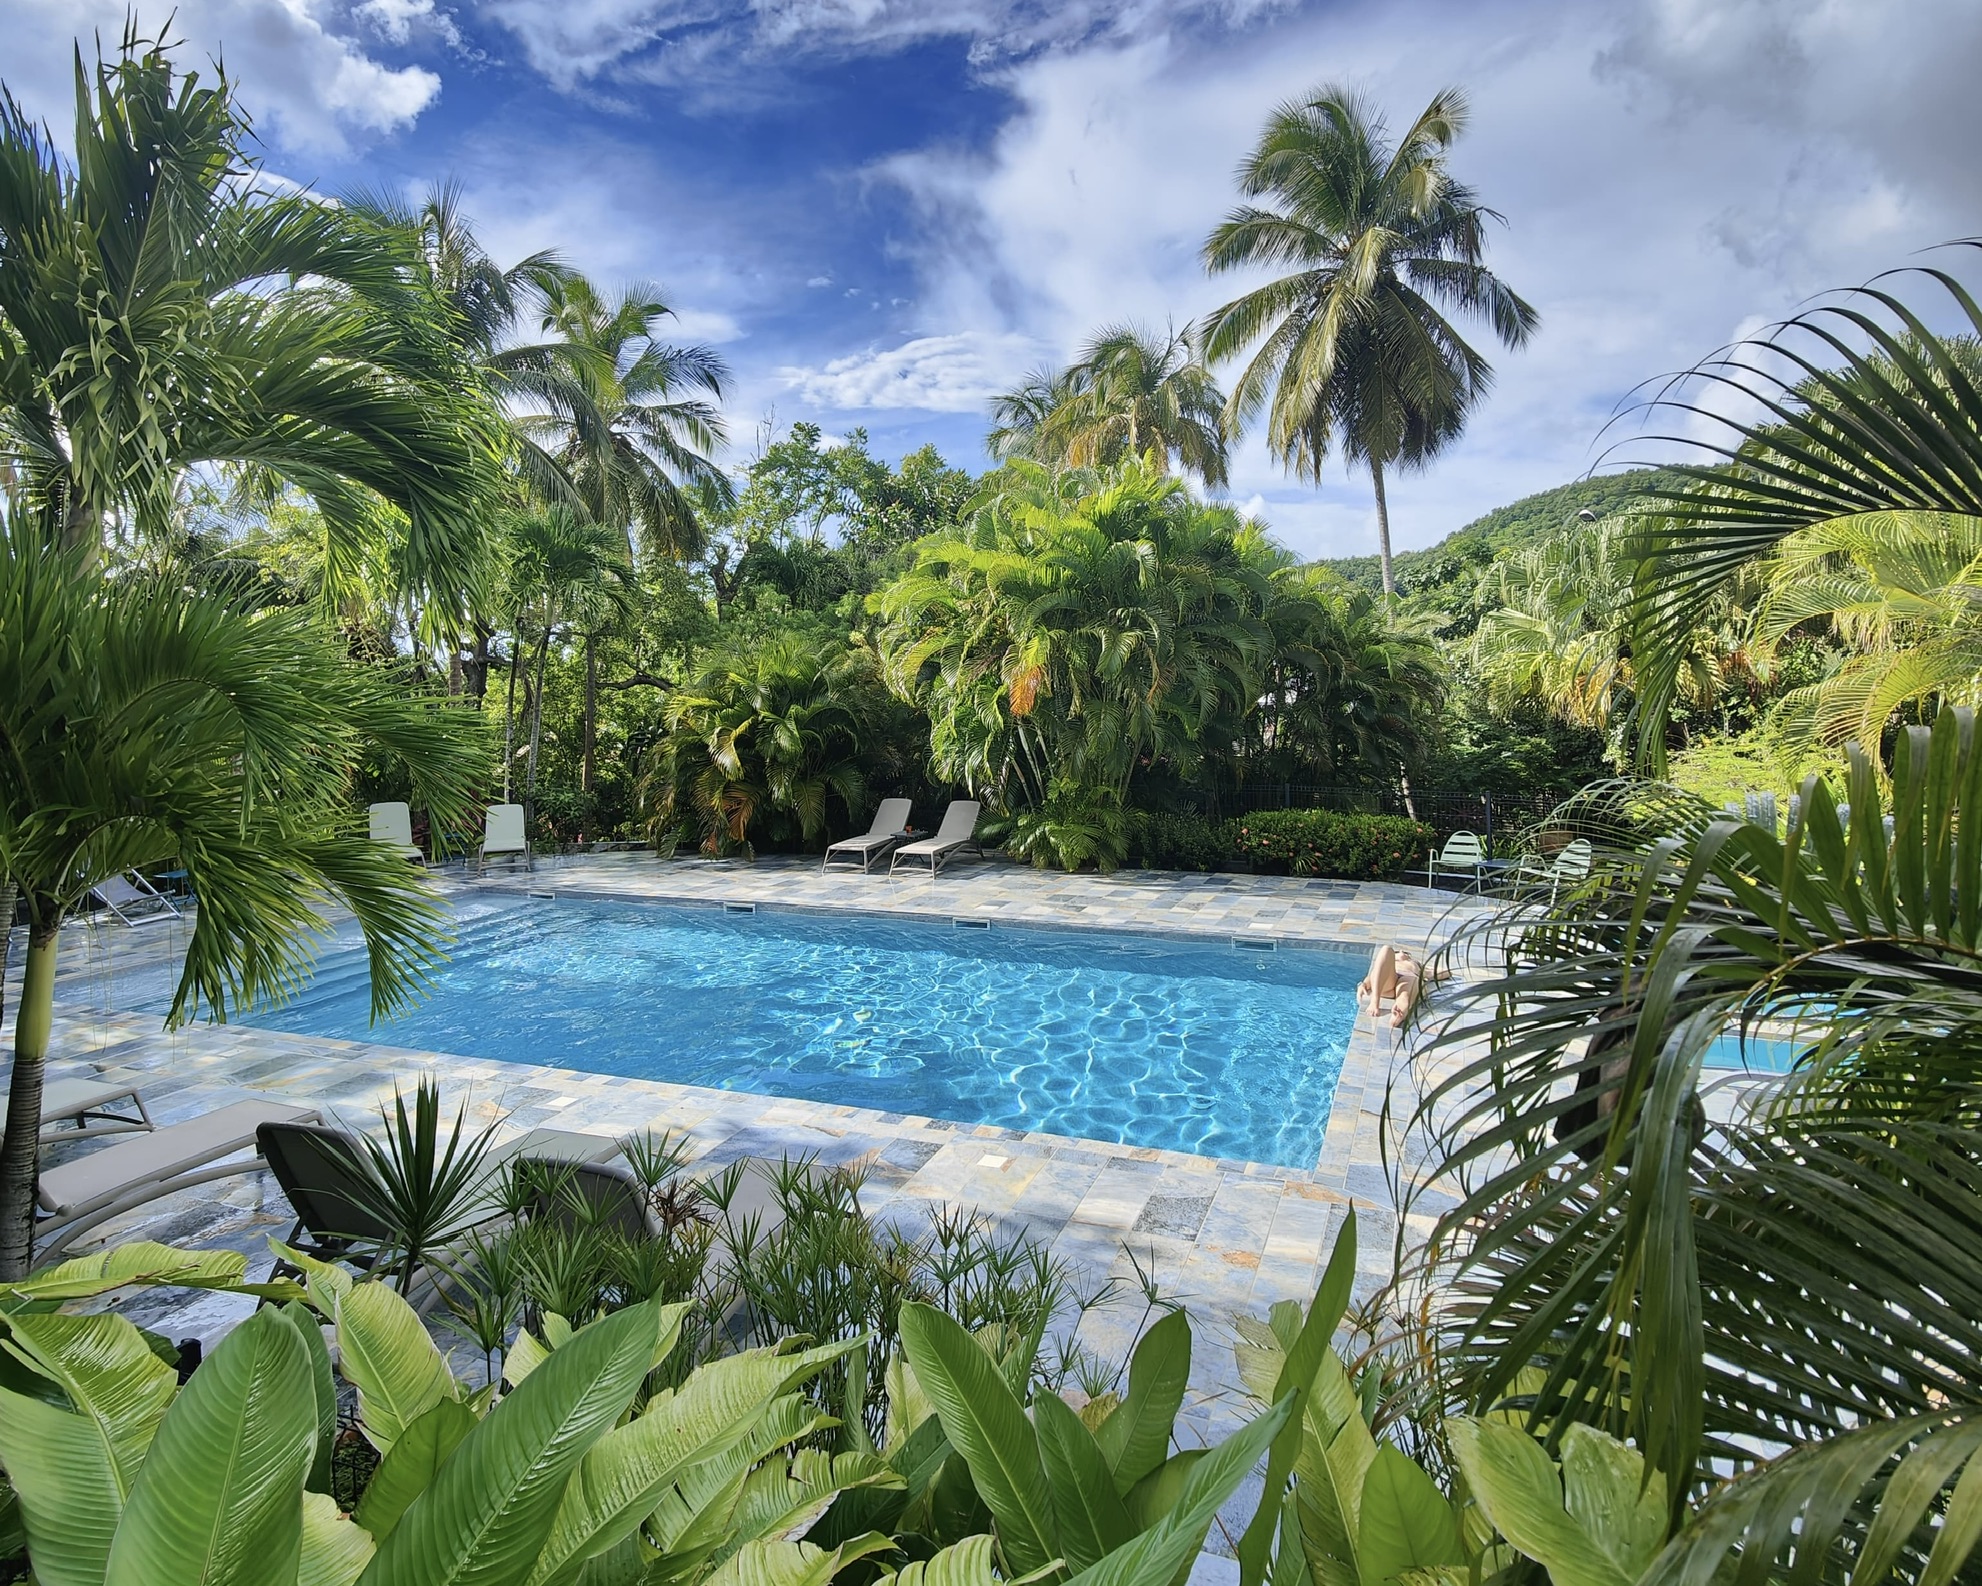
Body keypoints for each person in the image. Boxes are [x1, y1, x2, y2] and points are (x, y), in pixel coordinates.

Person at [1357, 943, 1426, 1028]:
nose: (1402, 952)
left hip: (1409, 977)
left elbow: (1439, 973)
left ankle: (1398, 1015)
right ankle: (1375, 1000)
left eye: (1406, 953)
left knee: (1405, 996)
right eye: (1400, 952)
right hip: (1390, 980)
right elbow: (1376, 972)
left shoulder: (1415, 964)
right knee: (1386, 949)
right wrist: (1365, 984)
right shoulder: (1390, 961)